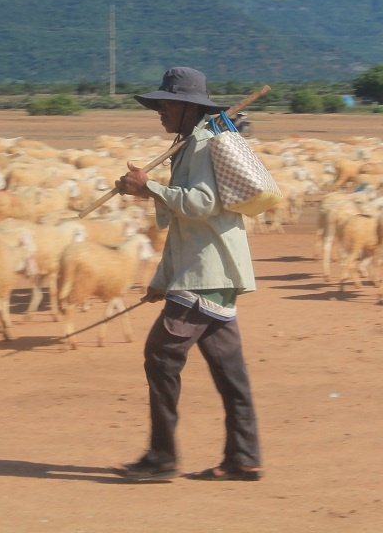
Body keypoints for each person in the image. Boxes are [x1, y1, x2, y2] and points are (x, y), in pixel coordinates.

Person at [113, 66, 262, 483]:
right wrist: (163, 281)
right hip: (212, 273)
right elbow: (185, 224)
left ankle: (161, 457)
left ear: (186, 107)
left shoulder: (202, 145)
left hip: (205, 274)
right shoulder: (191, 143)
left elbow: (201, 204)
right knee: (230, 371)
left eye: (165, 104)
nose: (159, 110)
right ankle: (244, 456)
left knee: (160, 357)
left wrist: (149, 189)